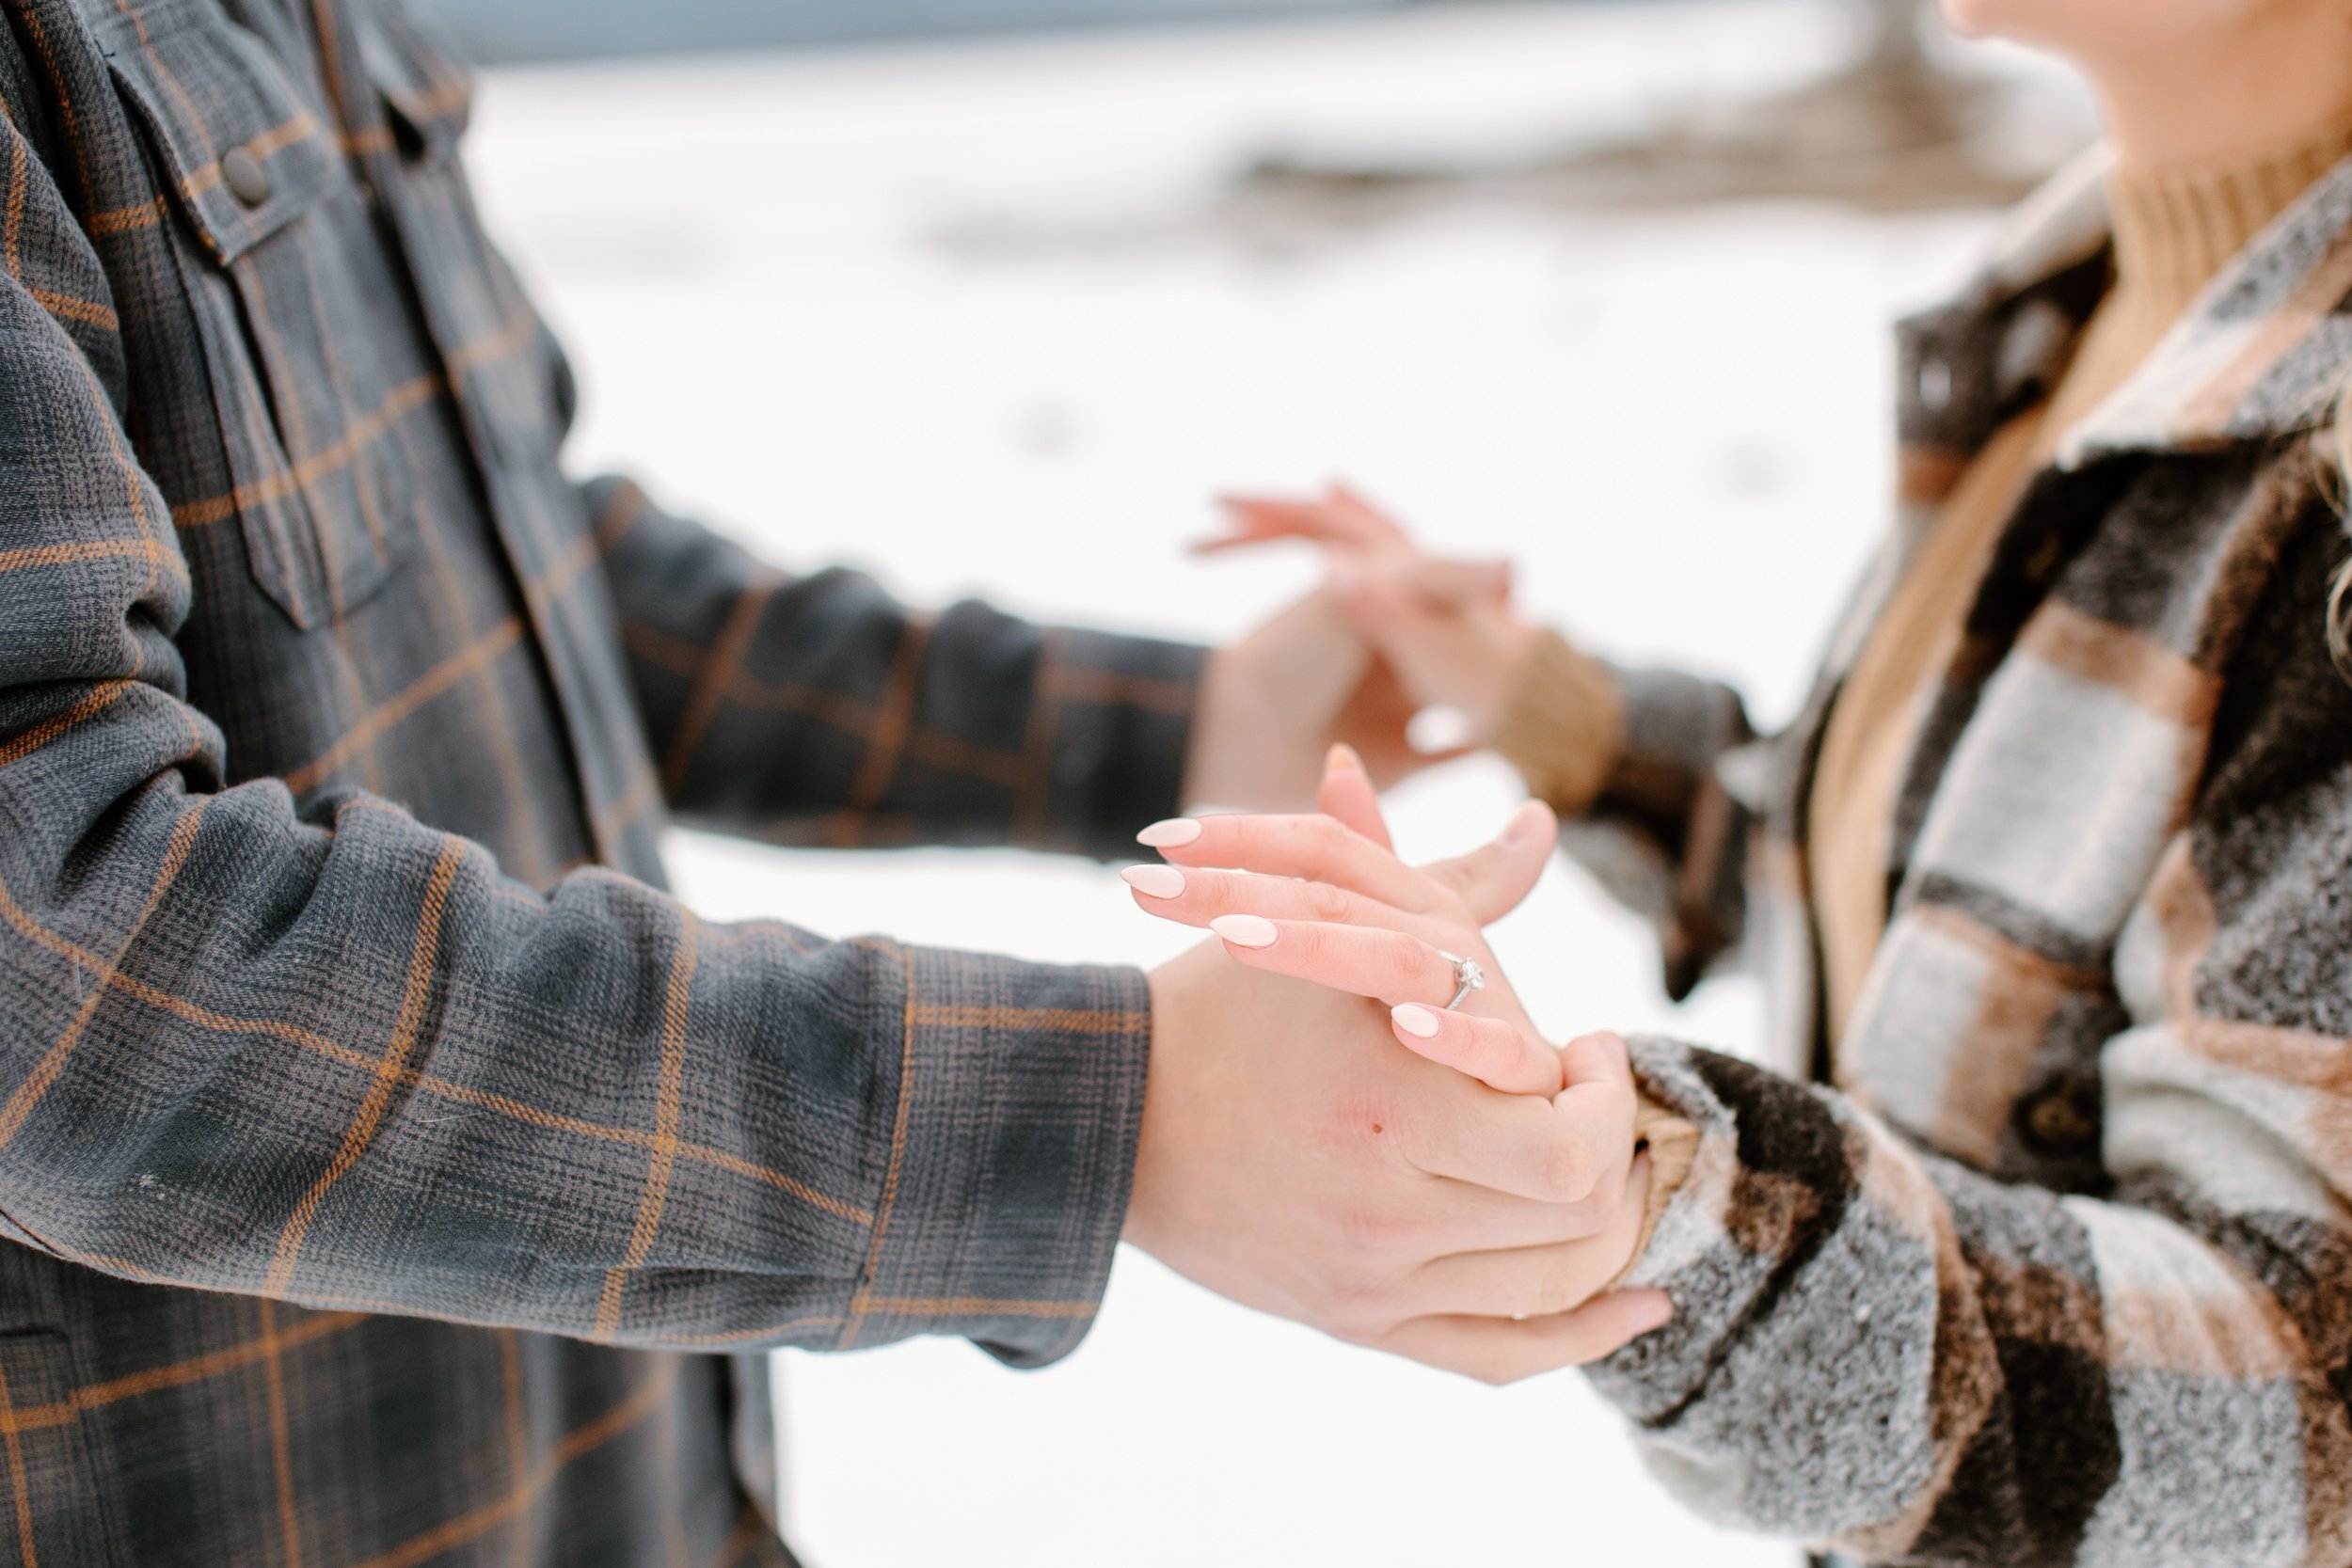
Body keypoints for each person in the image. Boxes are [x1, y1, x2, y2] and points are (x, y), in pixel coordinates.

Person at [0, 2, 1649, 1563]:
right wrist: (1102, 1114)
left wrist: (1175, 732)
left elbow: (519, 559)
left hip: (624, 1490)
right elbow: (62, 977)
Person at [1146, 0, 2352, 1562]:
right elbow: (1969, 927)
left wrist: (1665, 1207)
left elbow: (2305, 1406)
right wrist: (1556, 713)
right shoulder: (2079, 311)